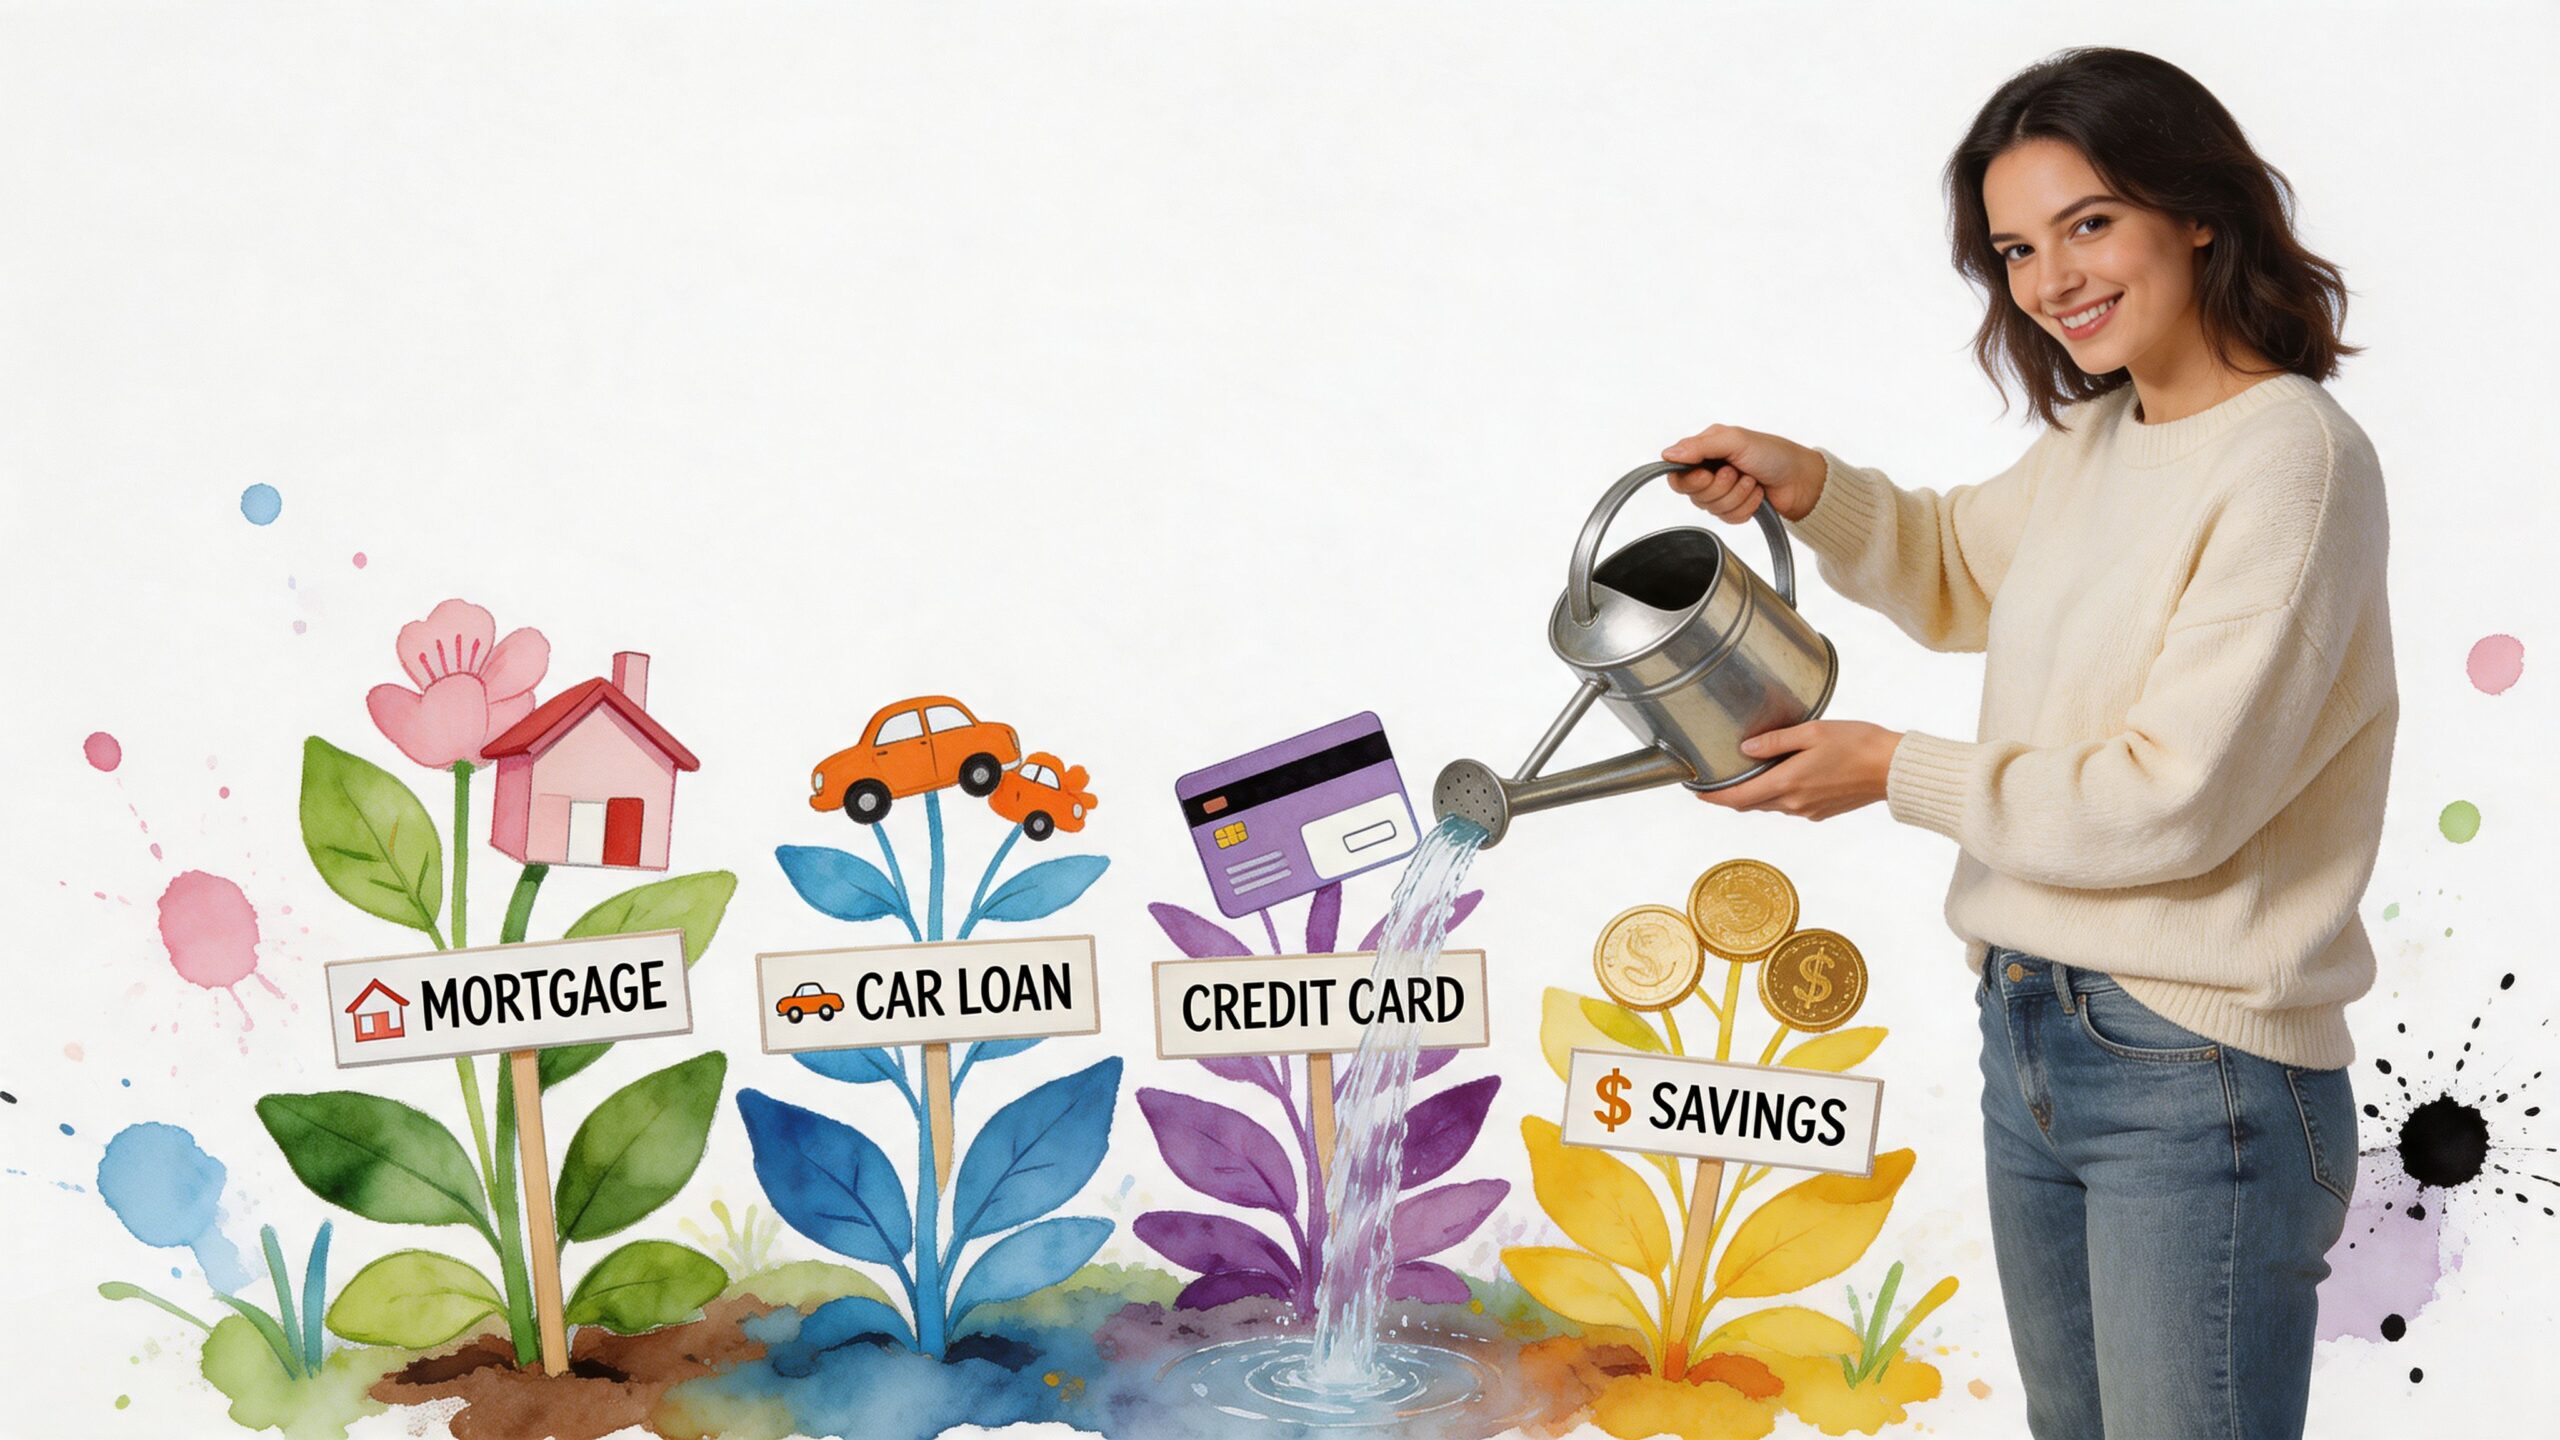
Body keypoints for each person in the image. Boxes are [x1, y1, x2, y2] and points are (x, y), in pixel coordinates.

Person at [1659, 46, 2396, 1440]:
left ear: (2197, 212)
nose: (2052, 280)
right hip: (2033, 1032)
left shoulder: (2291, 461)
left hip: (2198, 1067)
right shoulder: (2104, 442)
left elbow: (2171, 801)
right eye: (2015, 250)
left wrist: (1893, 771)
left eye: (2088, 223)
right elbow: (1956, 564)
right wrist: (1807, 487)